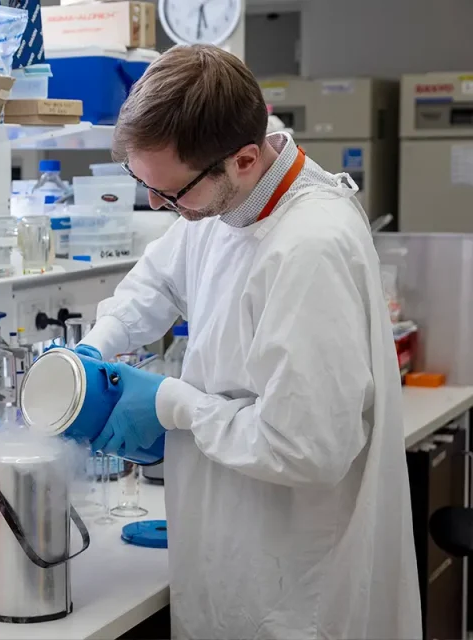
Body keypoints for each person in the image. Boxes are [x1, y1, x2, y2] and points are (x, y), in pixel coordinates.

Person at [76, 45, 421, 639]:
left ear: (241, 160)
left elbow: (308, 448)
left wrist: (171, 404)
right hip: (233, 545)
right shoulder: (226, 195)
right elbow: (160, 276)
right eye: (143, 184)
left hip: (299, 584)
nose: (159, 206)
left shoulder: (309, 246)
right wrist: (96, 346)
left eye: (171, 194)